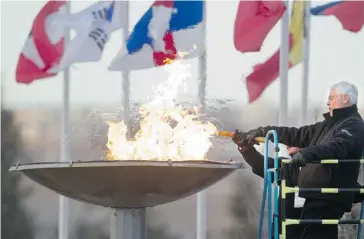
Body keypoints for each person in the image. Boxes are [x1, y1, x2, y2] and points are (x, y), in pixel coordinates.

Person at [237, 81, 364, 239]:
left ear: (345, 99)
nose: (327, 102)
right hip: (314, 195)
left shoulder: (353, 125)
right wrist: (262, 133)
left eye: (332, 97)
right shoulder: (325, 127)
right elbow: (296, 135)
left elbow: (337, 147)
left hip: (328, 195)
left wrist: (306, 154)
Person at [231, 136, 364, 239]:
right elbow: (261, 163)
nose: (288, 145)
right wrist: (247, 150)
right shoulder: (287, 166)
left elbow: (351, 189)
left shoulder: (326, 172)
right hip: (285, 232)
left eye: (295, 143)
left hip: (315, 232)